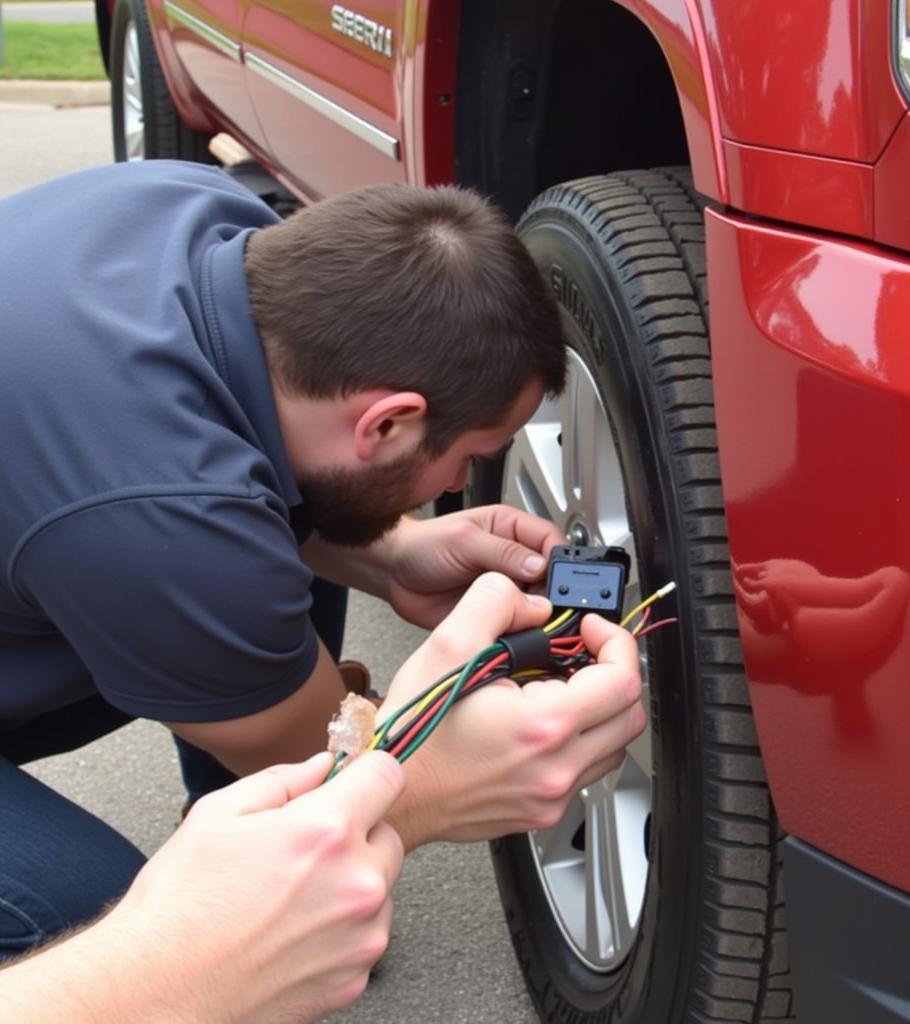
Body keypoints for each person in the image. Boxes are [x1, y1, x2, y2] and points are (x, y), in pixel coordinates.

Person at [0, 160, 646, 1012]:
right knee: (120, 939)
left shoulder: (209, 213)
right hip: (121, 521)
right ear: (387, 422)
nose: (456, 488)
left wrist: (392, 550)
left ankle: (243, 827)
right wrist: (450, 772)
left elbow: (244, 493)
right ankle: (264, 891)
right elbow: (339, 769)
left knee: (268, 557)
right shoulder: (168, 516)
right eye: (463, 460)